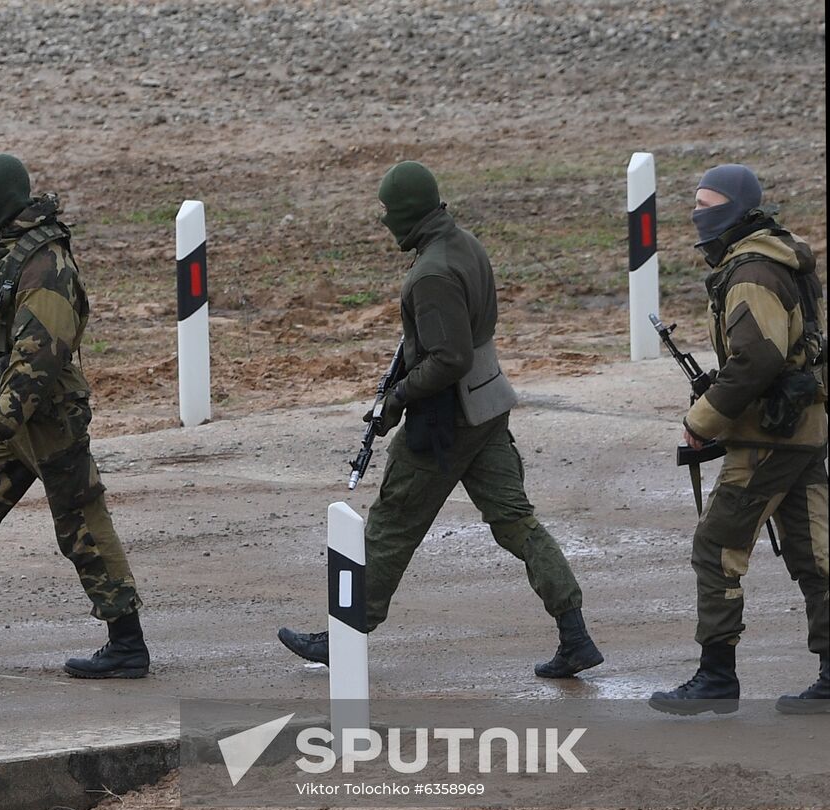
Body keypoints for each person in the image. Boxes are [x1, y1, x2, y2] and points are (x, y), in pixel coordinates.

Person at [277, 161, 603, 679]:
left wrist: (398, 396)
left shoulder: (430, 273)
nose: (384, 221)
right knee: (517, 522)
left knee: (391, 524)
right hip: (487, 406)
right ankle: (575, 632)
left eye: (387, 211)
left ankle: (343, 637)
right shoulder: (464, 243)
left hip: (445, 421)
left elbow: (447, 357)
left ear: (406, 212)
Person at [0, 152, 151, 678]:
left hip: (45, 417)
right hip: (13, 415)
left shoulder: (47, 262)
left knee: (80, 523)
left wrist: (1, 415)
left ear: (0, 200)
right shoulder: (9, 250)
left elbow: (40, 354)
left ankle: (127, 643)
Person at [649, 164, 828, 716]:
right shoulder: (779, 260)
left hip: (768, 436)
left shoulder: (750, 271)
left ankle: (716, 677)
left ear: (734, 207)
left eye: (707, 202)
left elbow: (758, 358)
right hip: (807, 430)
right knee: (816, 554)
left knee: (717, 548)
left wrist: (702, 420)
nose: (698, 213)